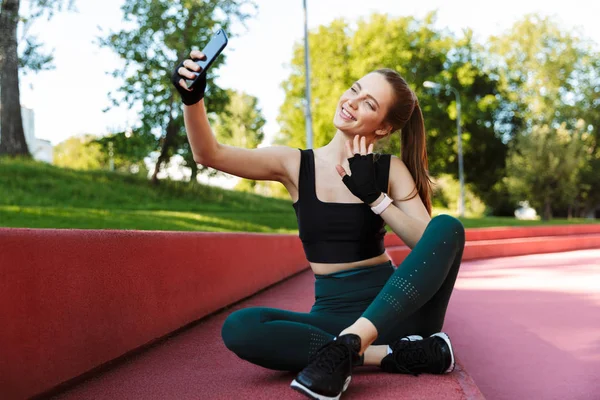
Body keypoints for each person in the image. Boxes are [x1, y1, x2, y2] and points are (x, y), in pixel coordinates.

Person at [172, 50, 465, 400]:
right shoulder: (293, 164)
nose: (352, 102)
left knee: (448, 226)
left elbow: (429, 241)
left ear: (384, 127)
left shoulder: (389, 171)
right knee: (240, 328)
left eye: (369, 103)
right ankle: (378, 353)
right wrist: (193, 100)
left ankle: (351, 344)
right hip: (334, 316)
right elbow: (210, 155)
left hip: (399, 313)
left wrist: (375, 199)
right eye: (354, 90)